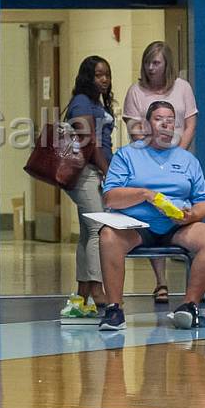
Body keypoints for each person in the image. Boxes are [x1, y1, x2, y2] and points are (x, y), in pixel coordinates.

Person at [97, 100, 205, 332]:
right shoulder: (127, 155)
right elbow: (110, 198)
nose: (165, 125)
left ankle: (189, 306)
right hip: (136, 226)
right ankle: (114, 308)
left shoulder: (187, 159)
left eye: (171, 121)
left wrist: (192, 215)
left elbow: (203, 201)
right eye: (159, 119)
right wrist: (145, 194)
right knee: (108, 236)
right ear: (147, 125)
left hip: (177, 225)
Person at [121, 41, 198, 304]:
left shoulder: (182, 87)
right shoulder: (136, 91)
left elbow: (189, 123)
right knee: (152, 210)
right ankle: (160, 281)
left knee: (180, 211)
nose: (151, 68)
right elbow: (133, 125)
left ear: (167, 64)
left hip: (178, 158)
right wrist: (151, 150)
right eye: (147, 63)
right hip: (146, 158)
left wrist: (179, 152)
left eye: (156, 63)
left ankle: (194, 291)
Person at [60, 56, 116, 321]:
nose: (103, 80)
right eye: (98, 75)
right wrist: (107, 170)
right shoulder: (81, 102)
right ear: (87, 77)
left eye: (106, 74)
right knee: (98, 228)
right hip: (84, 172)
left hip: (94, 170)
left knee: (86, 232)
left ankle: (81, 295)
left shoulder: (97, 102)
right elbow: (88, 141)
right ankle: (97, 289)